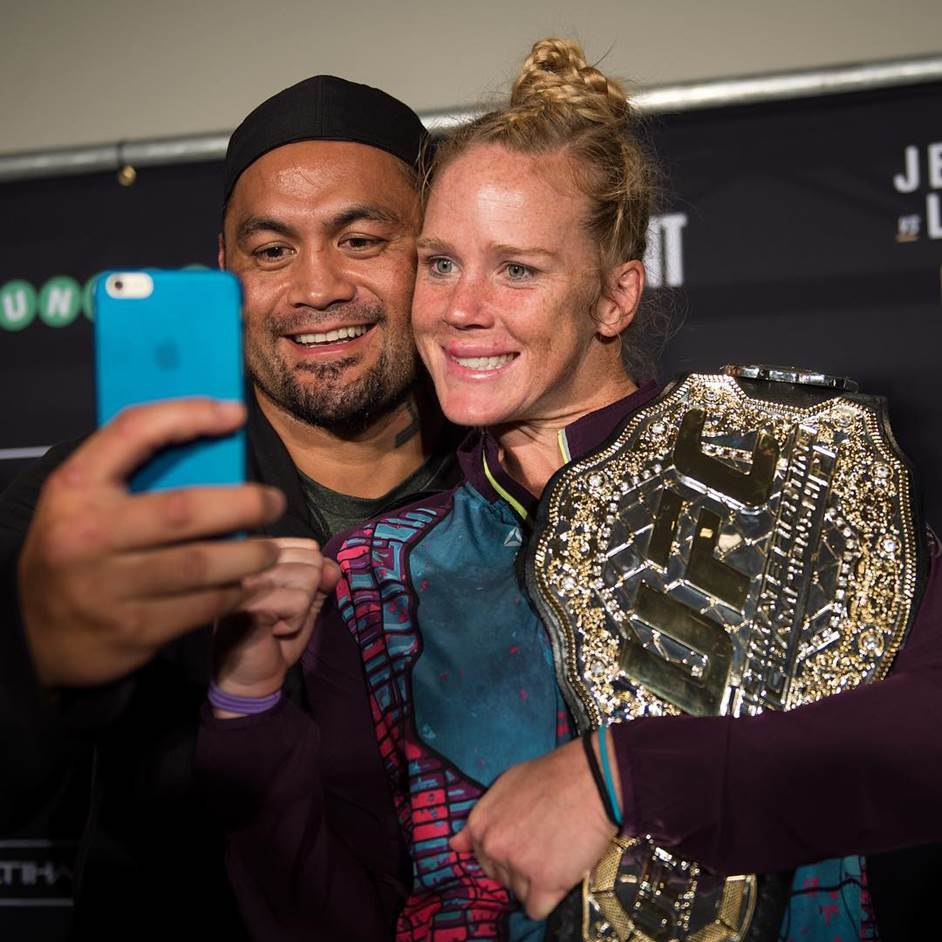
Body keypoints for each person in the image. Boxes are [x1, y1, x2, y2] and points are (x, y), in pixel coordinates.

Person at [199, 38, 942, 942]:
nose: (461, 307)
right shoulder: (374, 574)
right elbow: (340, 916)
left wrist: (623, 776)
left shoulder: (797, 454)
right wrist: (246, 711)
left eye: (516, 268)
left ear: (615, 296)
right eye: (439, 263)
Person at [0, 75, 460, 937]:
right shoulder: (106, 492)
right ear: (225, 270)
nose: (316, 288)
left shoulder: (517, 483)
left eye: (361, 238)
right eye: (272, 251)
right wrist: (39, 662)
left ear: (434, 254)